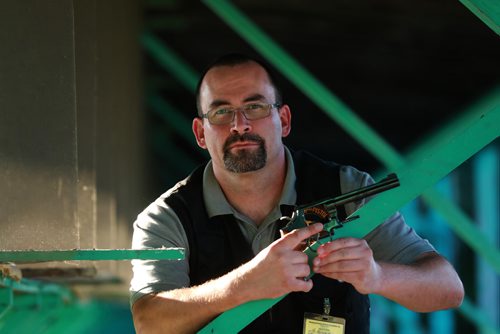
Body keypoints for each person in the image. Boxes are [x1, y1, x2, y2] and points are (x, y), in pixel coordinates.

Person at [130, 53, 464, 333]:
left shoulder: (346, 190)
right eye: (221, 112)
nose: (240, 125)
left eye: (256, 107)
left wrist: (378, 276)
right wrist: (241, 286)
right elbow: (148, 322)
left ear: (284, 120)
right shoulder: (166, 217)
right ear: (200, 133)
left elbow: (447, 289)